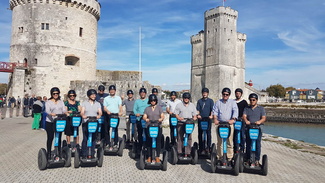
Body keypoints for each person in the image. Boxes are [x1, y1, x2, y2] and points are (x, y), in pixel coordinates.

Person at [212, 87, 238, 161]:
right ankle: (220, 157)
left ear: (229, 95)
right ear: (222, 94)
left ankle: (229, 157)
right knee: (219, 142)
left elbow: (235, 111)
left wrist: (233, 119)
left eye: (227, 94)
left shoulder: (232, 102)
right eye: (224, 94)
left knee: (229, 141)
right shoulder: (218, 102)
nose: (225, 95)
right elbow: (215, 112)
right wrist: (215, 119)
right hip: (220, 124)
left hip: (229, 124)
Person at [243, 93, 266, 166]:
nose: (252, 101)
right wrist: (246, 121)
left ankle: (256, 160)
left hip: (257, 128)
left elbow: (264, 118)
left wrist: (259, 122)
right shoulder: (247, 108)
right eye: (250, 100)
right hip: (249, 128)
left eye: (253, 100)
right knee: (248, 144)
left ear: (256, 100)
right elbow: (244, 116)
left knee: (257, 144)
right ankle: (248, 159)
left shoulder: (261, 108)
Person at [45, 87, 67, 160]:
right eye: (54, 93)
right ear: (51, 94)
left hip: (59, 121)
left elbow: (63, 109)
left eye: (57, 93)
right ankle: (48, 153)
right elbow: (47, 110)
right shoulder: (48, 102)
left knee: (59, 137)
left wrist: (66, 113)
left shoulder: (61, 102)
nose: (55, 95)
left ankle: (59, 152)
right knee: (50, 137)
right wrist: (51, 114)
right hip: (50, 122)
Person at [80, 89, 102, 158]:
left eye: (95, 95)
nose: (94, 96)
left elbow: (100, 111)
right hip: (86, 123)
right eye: (92, 95)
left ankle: (92, 153)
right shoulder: (84, 103)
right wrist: (83, 115)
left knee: (93, 139)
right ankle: (84, 153)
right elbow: (82, 111)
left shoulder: (98, 103)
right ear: (89, 95)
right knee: (85, 138)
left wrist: (99, 115)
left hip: (94, 123)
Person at [174, 92, 197, 157]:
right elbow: (176, 114)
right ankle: (179, 152)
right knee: (180, 137)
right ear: (183, 98)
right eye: (185, 98)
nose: (186, 99)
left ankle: (188, 152)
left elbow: (195, 114)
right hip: (181, 123)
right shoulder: (179, 105)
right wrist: (179, 118)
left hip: (189, 123)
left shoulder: (192, 105)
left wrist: (195, 117)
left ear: (189, 98)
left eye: (187, 98)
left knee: (189, 137)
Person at [143, 94, 164, 163]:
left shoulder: (159, 108)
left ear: (156, 101)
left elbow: (162, 116)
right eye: (151, 100)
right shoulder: (147, 108)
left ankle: (157, 156)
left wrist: (161, 119)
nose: (153, 101)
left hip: (158, 126)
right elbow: (144, 116)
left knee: (158, 142)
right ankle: (149, 156)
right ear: (150, 101)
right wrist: (146, 119)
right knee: (149, 142)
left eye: (154, 100)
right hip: (149, 126)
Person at [103, 85, 122, 150]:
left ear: (115, 91)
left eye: (113, 90)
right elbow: (104, 107)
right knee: (106, 129)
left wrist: (120, 112)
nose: (112, 91)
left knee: (115, 129)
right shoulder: (106, 98)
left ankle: (115, 143)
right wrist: (107, 111)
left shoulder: (118, 98)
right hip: (108, 115)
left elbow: (120, 106)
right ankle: (107, 143)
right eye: (111, 90)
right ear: (109, 91)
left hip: (115, 115)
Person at [196, 88, 214, 154]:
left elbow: (212, 110)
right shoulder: (199, 101)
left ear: (208, 93)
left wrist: (211, 115)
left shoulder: (210, 101)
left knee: (208, 133)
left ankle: (208, 147)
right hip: (201, 119)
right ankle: (201, 148)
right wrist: (198, 115)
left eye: (206, 93)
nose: (204, 94)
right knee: (200, 134)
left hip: (208, 119)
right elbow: (198, 109)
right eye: (203, 93)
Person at [234, 88, 249, 153]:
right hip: (235, 120)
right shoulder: (233, 102)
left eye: (239, 93)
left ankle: (242, 148)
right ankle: (235, 147)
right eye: (237, 93)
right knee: (235, 135)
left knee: (242, 135)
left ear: (241, 94)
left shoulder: (244, 102)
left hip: (241, 120)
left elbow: (246, 111)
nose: (238, 94)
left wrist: (244, 118)